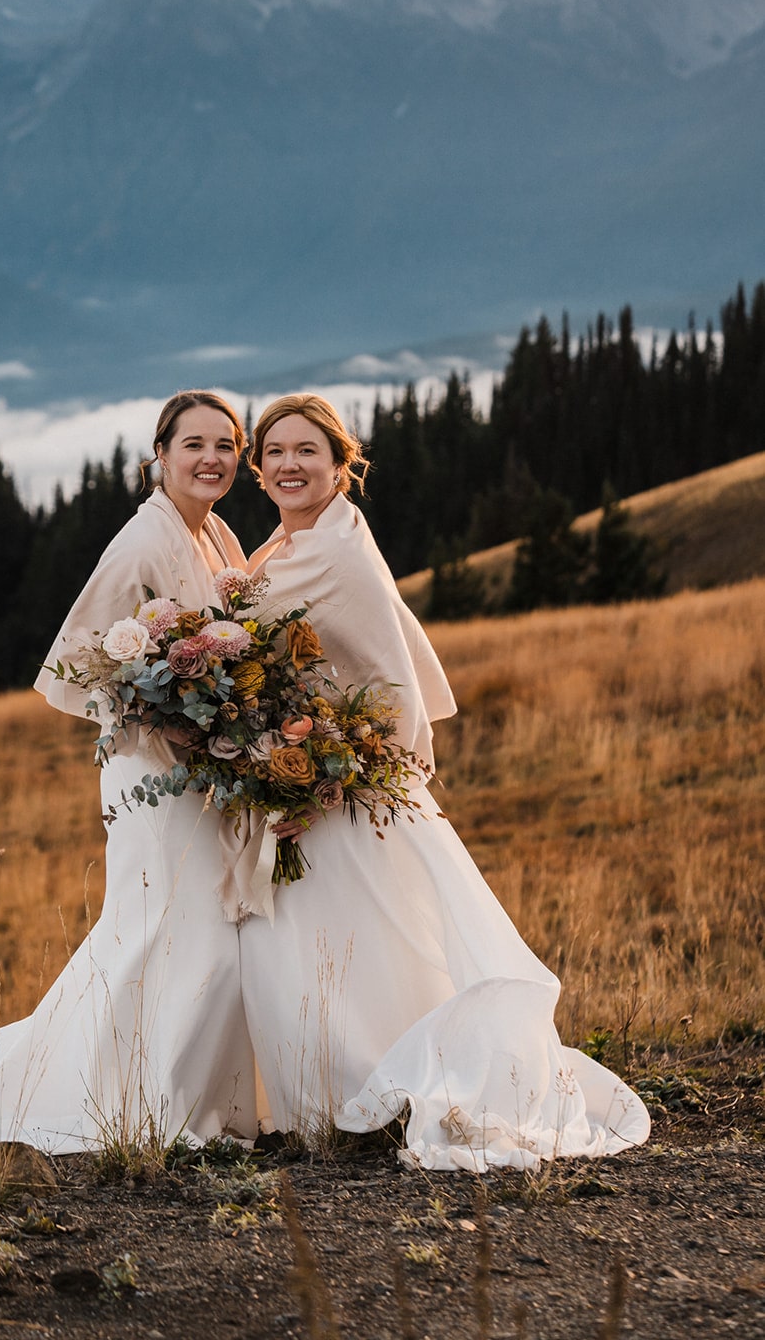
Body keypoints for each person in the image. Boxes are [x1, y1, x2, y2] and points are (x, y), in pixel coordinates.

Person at [235, 393, 650, 1170]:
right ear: (258, 470)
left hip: (343, 787)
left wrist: (324, 777)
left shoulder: (339, 552)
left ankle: (371, 1097)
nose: (290, 465)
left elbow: (388, 680)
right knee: (326, 942)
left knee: (354, 940)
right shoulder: (292, 545)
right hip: (305, 771)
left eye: (307, 453)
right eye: (276, 453)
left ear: (339, 464)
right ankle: (333, 1105)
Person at [0, 391, 257, 1152]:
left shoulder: (214, 530)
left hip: (196, 771)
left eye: (226, 445)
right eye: (194, 445)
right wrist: (165, 710)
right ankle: (144, 1105)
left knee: (196, 933)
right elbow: (76, 669)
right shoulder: (143, 541)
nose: (211, 459)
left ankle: (174, 1099)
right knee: (171, 932)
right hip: (150, 776)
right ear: (161, 455)